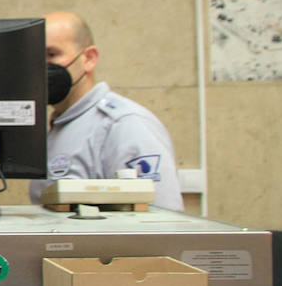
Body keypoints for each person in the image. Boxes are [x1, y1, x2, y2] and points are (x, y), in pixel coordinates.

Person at [29, 11, 184, 211]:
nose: (41, 67)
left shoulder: (124, 124)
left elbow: (162, 216)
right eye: (34, 58)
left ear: (89, 59)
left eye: (52, 55)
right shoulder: (61, 126)